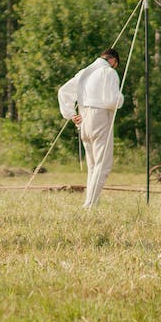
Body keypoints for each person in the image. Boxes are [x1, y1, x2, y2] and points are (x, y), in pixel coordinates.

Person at [57, 48, 124, 210]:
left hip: (83, 117)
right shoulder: (108, 72)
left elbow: (63, 91)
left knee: (93, 165)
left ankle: (89, 201)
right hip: (99, 117)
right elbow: (111, 101)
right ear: (113, 61)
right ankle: (90, 204)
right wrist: (121, 99)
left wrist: (71, 114)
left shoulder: (84, 72)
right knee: (102, 164)